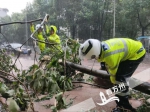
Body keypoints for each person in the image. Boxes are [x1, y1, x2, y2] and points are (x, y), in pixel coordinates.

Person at [79, 38, 146, 112]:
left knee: (120, 80)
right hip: (133, 49)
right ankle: (125, 93)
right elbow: (103, 59)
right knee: (120, 80)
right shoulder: (101, 46)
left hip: (137, 54)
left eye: (92, 58)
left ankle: (124, 107)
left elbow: (114, 75)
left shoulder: (110, 57)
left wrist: (114, 86)